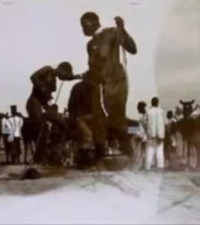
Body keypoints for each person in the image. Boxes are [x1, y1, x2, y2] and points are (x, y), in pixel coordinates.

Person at [79, 12, 137, 158]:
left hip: (116, 84)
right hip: (100, 85)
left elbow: (133, 49)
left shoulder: (112, 33)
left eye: (83, 25)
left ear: (92, 23)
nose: (82, 29)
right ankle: (100, 158)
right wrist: (83, 76)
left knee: (118, 119)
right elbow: (93, 68)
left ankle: (129, 155)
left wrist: (123, 29)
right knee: (99, 121)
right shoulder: (90, 44)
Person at [26, 62, 79, 142]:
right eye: (64, 73)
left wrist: (78, 76)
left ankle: (56, 147)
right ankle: (41, 147)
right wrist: (41, 87)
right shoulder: (48, 69)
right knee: (42, 125)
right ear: (61, 69)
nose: (63, 77)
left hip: (44, 104)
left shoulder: (54, 79)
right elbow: (33, 77)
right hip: (34, 101)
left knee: (62, 122)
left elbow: (68, 77)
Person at [145, 97, 166, 171]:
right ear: (157, 103)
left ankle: (148, 167)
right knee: (159, 152)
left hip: (151, 135)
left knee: (150, 151)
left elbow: (146, 123)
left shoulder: (148, 112)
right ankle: (160, 167)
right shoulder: (161, 111)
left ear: (151, 103)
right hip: (160, 136)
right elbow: (163, 124)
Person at [134, 101, 148, 170]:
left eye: (138, 108)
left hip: (146, 136)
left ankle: (144, 165)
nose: (137, 110)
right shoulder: (142, 117)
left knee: (143, 150)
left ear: (141, 108)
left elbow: (145, 128)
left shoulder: (145, 117)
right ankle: (143, 164)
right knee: (143, 150)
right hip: (144, 135)